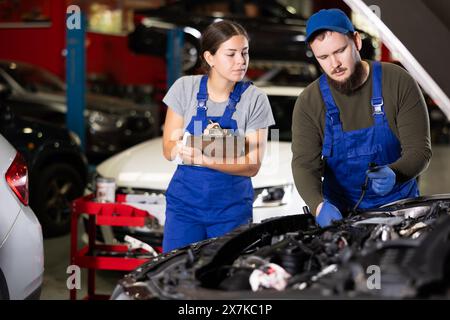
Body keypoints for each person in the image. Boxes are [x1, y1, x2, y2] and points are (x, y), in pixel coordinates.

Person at [291, 9, 431, 227]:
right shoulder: (309, 102)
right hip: (341, 217)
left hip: (401, 211)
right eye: (323, 57)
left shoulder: (397, 82)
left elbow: (420, 151)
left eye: (340, 51)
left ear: (356, 41)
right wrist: (318, 205)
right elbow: (304, 165)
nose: (334, 63)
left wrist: (395, 173)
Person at [162, 20, 275, 252]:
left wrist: (203, 157)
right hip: (184, 206)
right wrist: (181, 149)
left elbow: (251, 164)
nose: (241, 61)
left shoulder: (255, 99)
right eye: (231, 54)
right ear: (210, 57)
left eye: (245, 53)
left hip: (231, 210)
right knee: (175, 273)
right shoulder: (184, 89)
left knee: (225, 277)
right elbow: (168, 148)